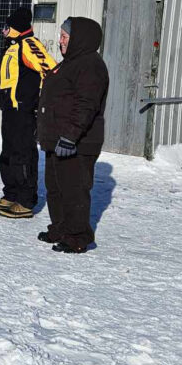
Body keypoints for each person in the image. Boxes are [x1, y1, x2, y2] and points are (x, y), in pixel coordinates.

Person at [37, 17, 109, 253]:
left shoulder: (90, 66)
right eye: (61, 36)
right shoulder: (69, 63)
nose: (60, 41)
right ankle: (60, 228)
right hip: (57, 140)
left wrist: (70, 136)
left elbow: (86, 105)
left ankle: (77, 237)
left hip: (77, 143)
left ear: (79, 39)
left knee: (74, 190)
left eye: (65, 37)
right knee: (55, 188)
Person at [0, 7, 56, 219]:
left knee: (23, 154)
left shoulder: (29, 44)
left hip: (23, 110)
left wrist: (37, 100)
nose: (3, 31)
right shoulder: (14, 46)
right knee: (8, 153)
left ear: (16, 27)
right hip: (10, 109)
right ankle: (11, 194)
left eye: (7, 27)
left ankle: (25, 201)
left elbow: (50, 70)